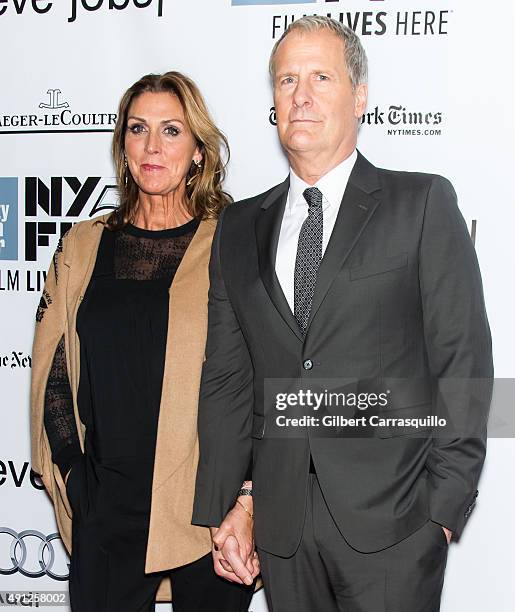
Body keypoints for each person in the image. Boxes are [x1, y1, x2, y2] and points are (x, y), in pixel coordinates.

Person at [192, 16, 493, 612]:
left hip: (396, 527)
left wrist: (443, 507)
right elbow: (229, 382)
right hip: (280, 534)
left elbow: (465, 362)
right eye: (286, 80)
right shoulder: (238, 227)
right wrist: (231, 504)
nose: (300, 95)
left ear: (359, 96)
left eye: (321, 77)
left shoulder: (422, 203)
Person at [31, 71, 255, 612]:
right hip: (107, 506)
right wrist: (74, 475)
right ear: (123, 144)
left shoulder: (234, 241)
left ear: (198, 151)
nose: (153, 147)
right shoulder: (84, 245)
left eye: (172, 130)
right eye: (138, 129)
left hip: (208, 508)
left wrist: (247, 497)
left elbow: (263, 376)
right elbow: (52, 366)